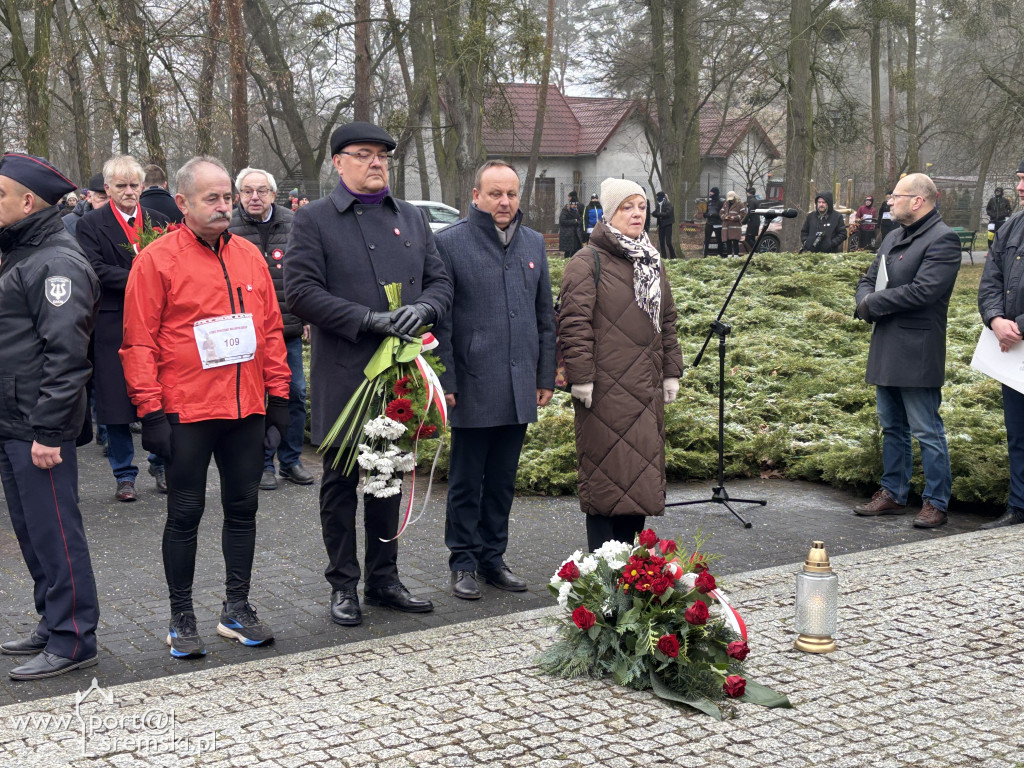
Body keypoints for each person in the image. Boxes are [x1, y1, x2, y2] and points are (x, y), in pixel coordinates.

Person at [120, 155, 290, 658]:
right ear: (182, 203)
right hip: (187, 412)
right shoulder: (156, 260)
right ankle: (181, 617)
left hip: (245, 409)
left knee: (243, 507)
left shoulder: (249, 256)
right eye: (211, 198)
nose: (224, 207)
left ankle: (236, 609)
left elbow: (271, 331)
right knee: (185, 513)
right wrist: (149, 412)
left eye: (227, 197)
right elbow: (138, 343)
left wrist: (278, 397)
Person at [285, 121, 453, 627]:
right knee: (339, 482)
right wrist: (367, 319)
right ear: (338, 162)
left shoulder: (414, 219)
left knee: (389, 475)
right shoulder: (313, 219)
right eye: (363, 154)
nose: (376, 162)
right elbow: (301, 292)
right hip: (345, 372)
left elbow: (441, 282)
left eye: (382, 155)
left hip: (399, 375)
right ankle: (343, 584)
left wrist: (423, 309)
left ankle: (384, 578)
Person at [434, 160, 556, 600]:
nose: (504, 202)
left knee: (503, 480)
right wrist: (446, 378)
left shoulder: (534, 244)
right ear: (475, 196)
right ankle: (463, 560)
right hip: (472, 383)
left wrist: (546, 375)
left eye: (511, 194)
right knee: (467, 481)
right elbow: (441, 323)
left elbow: (546, 316)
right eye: (495, 194)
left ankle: (492, 557)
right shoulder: (449, 244)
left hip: (520, 383)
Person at [0, 153, 101, 680]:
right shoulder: (20, 254)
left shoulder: (54, 263)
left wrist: (48, 431)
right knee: (34, 532)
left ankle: (74, 637)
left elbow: (66, 356)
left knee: (58, 533)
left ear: (27, 202)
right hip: (14, 421)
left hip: (39, 428)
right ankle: (52, 621)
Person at [557, 178, 684, 551]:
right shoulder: (586, 261)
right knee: (605, 477)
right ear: (609, 214)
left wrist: (672, 370)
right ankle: (601, 570)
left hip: (644, 389)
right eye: (627, 207)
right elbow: (573, 323)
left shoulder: (651, 261)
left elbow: (668, 321)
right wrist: (581, 378)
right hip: (603, 391)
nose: (637, 214)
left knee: (640, 477)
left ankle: (630, 568)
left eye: (641, 206)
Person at [853, 173, 962, 529]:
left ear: (918, 201)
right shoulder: (893, 236)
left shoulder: (943, 240)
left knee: (926, 429)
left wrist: (873, 302)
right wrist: (864, 301)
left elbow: (923, 292)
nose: (890, 201)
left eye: (896, 196)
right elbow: (868, 278)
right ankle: (893, 493)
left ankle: (935, 502)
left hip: (917, 349)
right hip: (886, 343)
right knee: (892, 426)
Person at [76, 155, 170, 501]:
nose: (129, 191)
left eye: (134, 185)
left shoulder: (160, 221)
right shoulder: (90, 225)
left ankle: (161, 466)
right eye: (121, 186)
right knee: (115, 400)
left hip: (156, 322)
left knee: (159, 395)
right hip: (113, 320)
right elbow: (94, 269)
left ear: (143, 187)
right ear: (107, 188)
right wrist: (139, 279)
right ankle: (124, 473)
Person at [229, 166, 314, 491]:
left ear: (273, 194)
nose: (255, 197)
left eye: (261, 190)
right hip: (246, 329)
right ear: (239, 195)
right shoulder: (229, 227)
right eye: (248, 191)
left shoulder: (294, 224)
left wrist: (307, 318)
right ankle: (262, 463)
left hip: (287, 327)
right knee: (256, 399)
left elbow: (308, 273)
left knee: (294, 394)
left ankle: (290, 460)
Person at [977, 160, 1024, 529]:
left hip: (1016, 337)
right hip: (1012, 351)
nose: (1020, 187)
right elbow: (990, 279)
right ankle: (1019, 506)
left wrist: (1018, 326)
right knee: (1017, 431)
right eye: (1020, 178)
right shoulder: (1011, 227)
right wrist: (995, 319)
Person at [558, 190, 583, 259]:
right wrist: (573, 221)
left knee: (576, 253)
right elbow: (562, 221)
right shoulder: (565, 210)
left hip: (575, 236)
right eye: (574, 204)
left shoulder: (576, 211)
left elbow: (580, 220)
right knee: (568, 253)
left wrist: (577, 222)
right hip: (568, 236)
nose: (575, 206)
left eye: (576, 205)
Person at [653, 190, 677, 260]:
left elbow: (667, 214)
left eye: (658, 197)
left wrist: (658, 214)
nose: (657, 199)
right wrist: (655, 214)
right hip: (661, 225)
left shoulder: (668, 204)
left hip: (667, 225)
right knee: (661, 242)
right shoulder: (659, 205)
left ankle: (673, 257)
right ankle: (664, 258)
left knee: (668, 242)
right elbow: (655, 212)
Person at [721, 191, 745, 257]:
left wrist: (735, 218)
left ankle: (736, 256)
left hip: (735, 226)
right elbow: (721, 213)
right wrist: (724, 217)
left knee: (735, 242)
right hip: (726, 226)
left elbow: (742, 214)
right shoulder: (725, 203)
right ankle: (729, 256)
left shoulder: (740, 204)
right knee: (728, 242)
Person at [702, 187, 723, 257]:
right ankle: (705, 255)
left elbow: (721, 214)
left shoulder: (720, 203)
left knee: (719, 239)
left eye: (711, 192)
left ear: (715, 193)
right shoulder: (709, 202)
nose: (710, 193)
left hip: (717, 223)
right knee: (707, 240)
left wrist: (714, 215)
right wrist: (705, 215)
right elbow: (706, 212)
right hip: (709, 223)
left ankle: (720, 254)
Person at [743, 186, 760, 254]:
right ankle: (754, 252)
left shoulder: (751, 201)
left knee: (748, 238)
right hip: (756, 221)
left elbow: (750, 212)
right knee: (752, 238)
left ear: (748, 193)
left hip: (752, 222)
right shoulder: (756, 200)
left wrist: (744, 221)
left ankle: (756, 251)